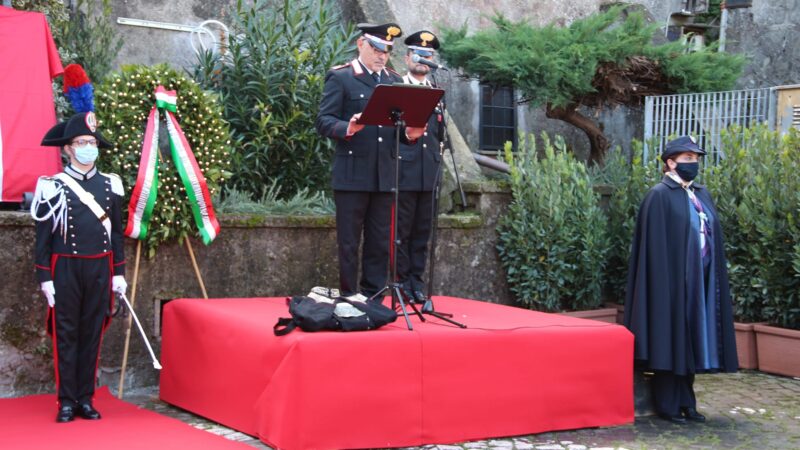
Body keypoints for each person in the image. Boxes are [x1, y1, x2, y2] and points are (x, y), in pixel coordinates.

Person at [624, 136, 738, 424]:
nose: (693, 163)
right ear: (670, 163)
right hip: (670, 284)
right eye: (687, 159)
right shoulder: (659, 196)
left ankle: (687, 401)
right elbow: (653, 250)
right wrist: (666, 284)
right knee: (670, 337)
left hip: (700, 279)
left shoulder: (702, 194)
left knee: (690, 339)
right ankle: (668, 404)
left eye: (696, 158)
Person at [316, 23, 425, 299]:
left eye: (387, 51)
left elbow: (395, 129)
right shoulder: (341, 77)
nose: (381, 56)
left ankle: (373, 295)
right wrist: (348, 128)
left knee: (379, 241)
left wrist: (410, 135)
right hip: (352, 174)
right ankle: (349, 296)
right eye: (376, 48)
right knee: (349, 242)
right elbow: (323, 121)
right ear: (360, 44)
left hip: (384, 174)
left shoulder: (391, 80)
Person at [31, 112, 127, 423]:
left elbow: (115, 234)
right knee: (66, 334)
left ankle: (86, 398)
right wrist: (44, 276)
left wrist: (119, 273)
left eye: (92, 142)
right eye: (81, 142)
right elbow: (43, 238)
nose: (88, 147)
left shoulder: (111, 185)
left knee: (92, 334)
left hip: (100, 267)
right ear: (68, 149)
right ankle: (66, 401)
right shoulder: (51, 186)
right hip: (66, 268)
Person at [396, 30, 443, 304]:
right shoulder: (398, 87)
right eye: (418, 54)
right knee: (401, 232)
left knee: (422, 233)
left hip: (430, 172)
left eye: (429, 55)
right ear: (407, 57)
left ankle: (417, 282)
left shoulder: (437, 92)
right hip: (403, 171)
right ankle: (400, 283)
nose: (423, 59)